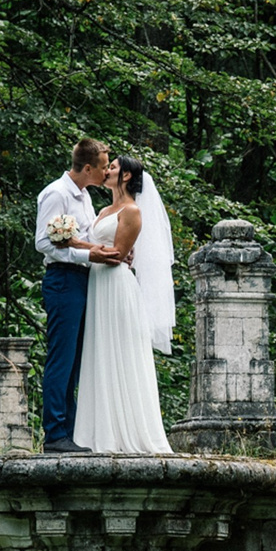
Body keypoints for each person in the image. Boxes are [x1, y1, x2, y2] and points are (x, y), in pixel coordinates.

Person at [70, 153, 176, 454]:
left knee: (119, 352)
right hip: (97, 283)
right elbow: (103, 247)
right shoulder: (103, 209)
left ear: (126, 176)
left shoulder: (132, 211)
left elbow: (117, 253)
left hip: (116, 286)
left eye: (112, 167)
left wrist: (76, 243)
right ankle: (95, 434)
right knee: (99, 352)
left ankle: (127, 433)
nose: (107, 172)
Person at [34, 138, 122, 452]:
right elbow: (44, 243)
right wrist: (88, 257)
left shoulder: (83, 196)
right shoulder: (57, 194)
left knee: (75, 363)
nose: (106, 171)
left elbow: (76, 239)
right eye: (103, 166)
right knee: (61, 359)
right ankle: (55, 435)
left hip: (84, 280)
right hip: (63, 281)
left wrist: (102, 250)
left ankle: (71, 433)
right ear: (88, 168)